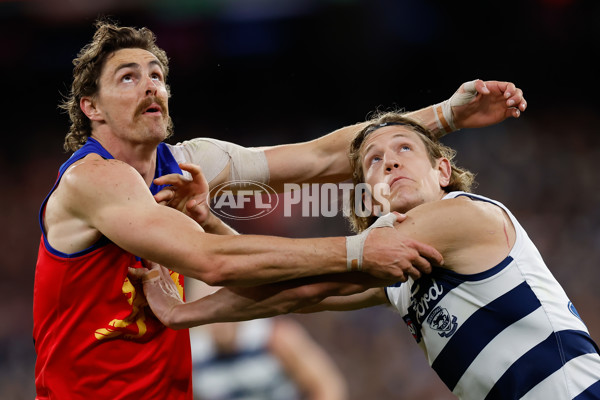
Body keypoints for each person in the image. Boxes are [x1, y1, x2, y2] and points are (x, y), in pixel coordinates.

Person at [33, 17, 526, 399]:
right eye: (127, 77)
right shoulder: (90, 180)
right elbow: (212, 261)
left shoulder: (187, 164)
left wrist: (444, 115)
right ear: (90, 108)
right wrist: (359, 250)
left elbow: (321, 155)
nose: (150, 86)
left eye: (156, 75)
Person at [138, 113, 600, 399]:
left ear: (443, 171)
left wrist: (185, 312)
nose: (391, 161)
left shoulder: (460, 217)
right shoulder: (396, 272)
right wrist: (204, 219)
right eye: (375, 161)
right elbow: (286, 291)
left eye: (405, 148)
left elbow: (307, 282)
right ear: (368, 196)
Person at [187, 280, 348, 400]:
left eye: (222, 310)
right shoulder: (193, 358)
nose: (219, 322)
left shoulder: (275, 337)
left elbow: (328, 386)